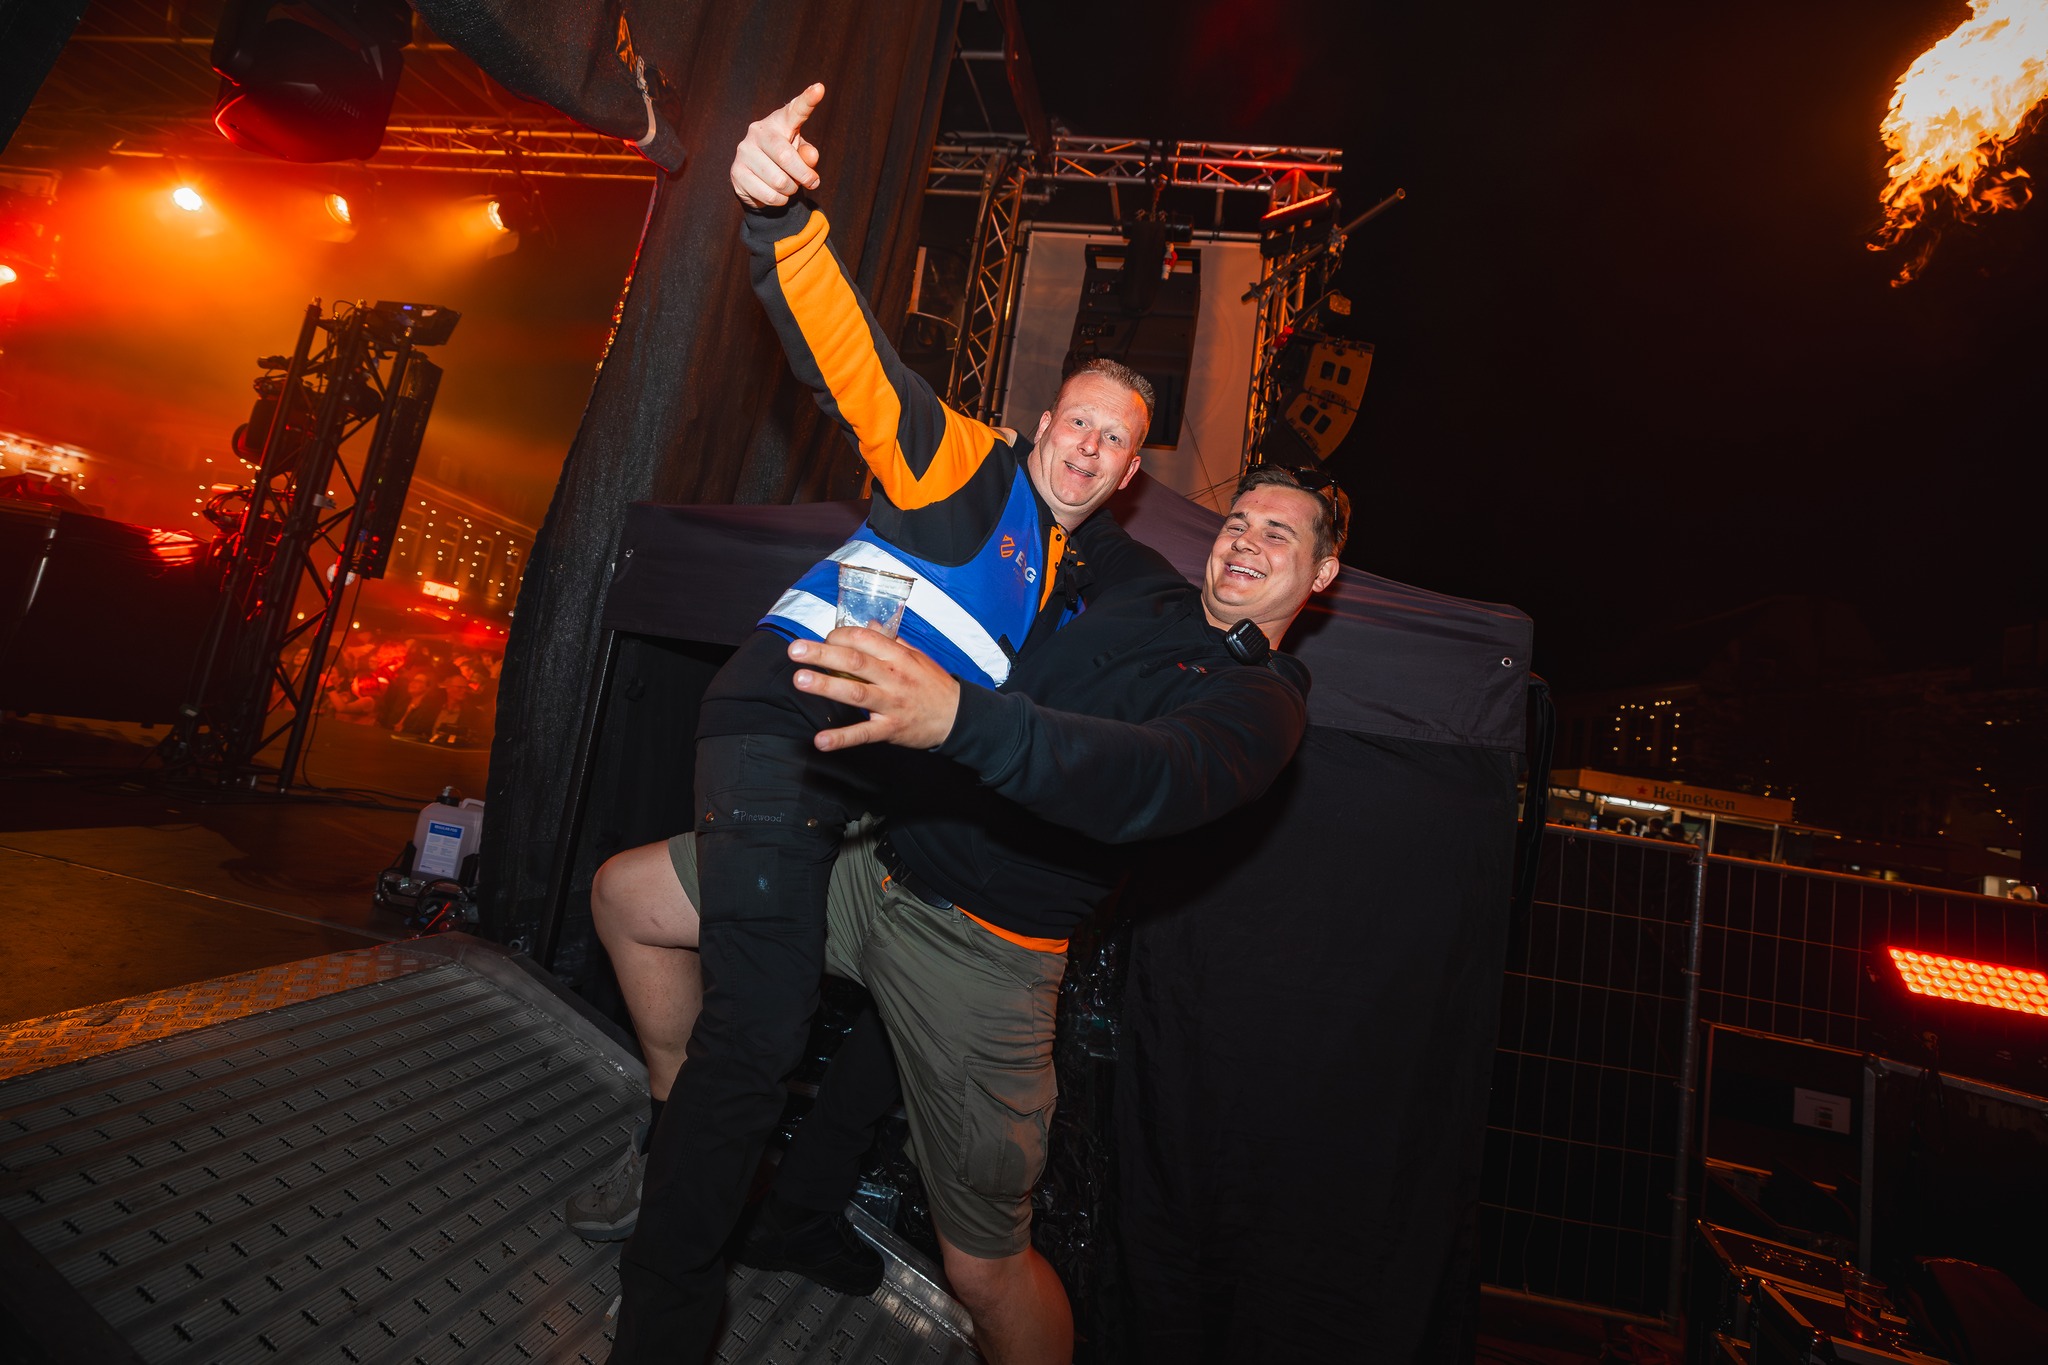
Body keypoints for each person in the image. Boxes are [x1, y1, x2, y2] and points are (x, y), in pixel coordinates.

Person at [600, 82, 1153, 1364]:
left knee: (785, 986)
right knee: (761, 1027)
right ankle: (664, 1316)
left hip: (855, 793)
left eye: (1114, 441)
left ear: (1130, 475)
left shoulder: (1059, 582)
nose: (1086, 448)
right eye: (1076, 421)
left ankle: (747, 1184)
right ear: (1044, 425)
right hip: (777, 738)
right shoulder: (966, 469)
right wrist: (779, 223)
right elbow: (852, 363)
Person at [592, 461, 1346, 1364]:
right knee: (625, 896)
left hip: (983, 951)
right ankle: (680, 1132)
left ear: (1322, 573)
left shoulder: (1262, 704)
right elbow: (1063, 495)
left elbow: (1146, 775)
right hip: (874, 866)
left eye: (1277, 533)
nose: (1245, 540)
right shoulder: (1147, 586)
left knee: (986, 1270)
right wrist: (1019, 448)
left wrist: (956, 717)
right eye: (1239, 520)